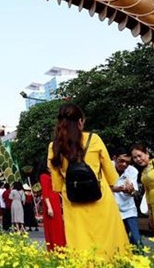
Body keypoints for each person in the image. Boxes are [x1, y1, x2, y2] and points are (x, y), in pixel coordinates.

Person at [47, 103, 129, 259]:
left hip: (73, 202)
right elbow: (112, 176)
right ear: (80, 122)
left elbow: (57, 185)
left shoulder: (54, 146)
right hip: (100, 198)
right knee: (109, 242)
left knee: (80, 243)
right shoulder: (94, 139)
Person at [111, 148, 141, 247]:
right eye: (121, 161)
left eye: (127, 162)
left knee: (136, 240)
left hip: (128, 210)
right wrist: (118, 189)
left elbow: (135, 193)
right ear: (114, 158)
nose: (124, 164)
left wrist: (130, 190)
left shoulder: (132, 171)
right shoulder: (107, 166)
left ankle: (140, 259)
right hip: (111, 210)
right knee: (115, 242)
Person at [38, 159, 66, 251]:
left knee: (59, 226)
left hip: (56, 203)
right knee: (54, 227)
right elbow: (45, 193)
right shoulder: (44, 176)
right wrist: (49, 207)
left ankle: (60, 247)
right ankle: (55, 248)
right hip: (51, 204)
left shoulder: (51, 176)